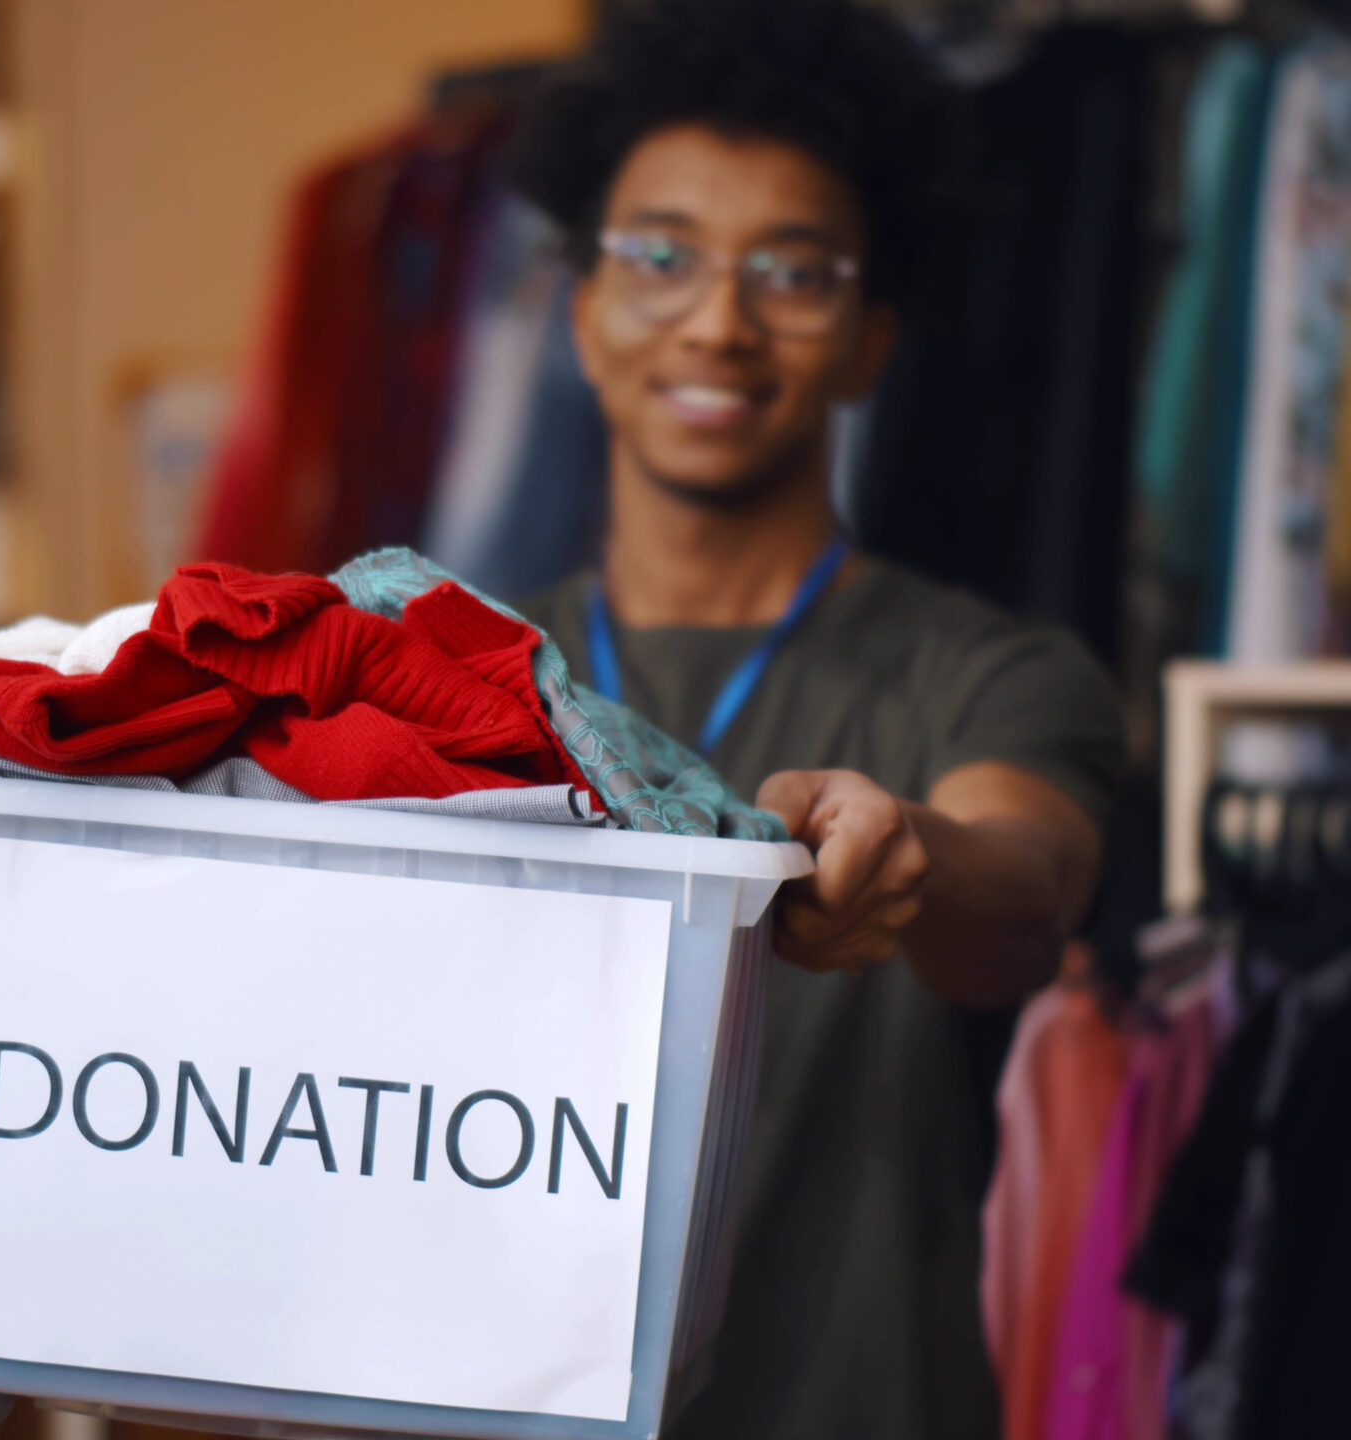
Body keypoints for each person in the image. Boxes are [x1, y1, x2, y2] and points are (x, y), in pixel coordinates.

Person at [504, 2, 1127, 1436]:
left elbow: (1023, 889)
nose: (719, 321)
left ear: (868, 343)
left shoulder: (995, 677)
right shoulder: (445, 675)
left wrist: (910, 851)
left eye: (792, 272)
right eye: (660, 258)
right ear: (585, 315)